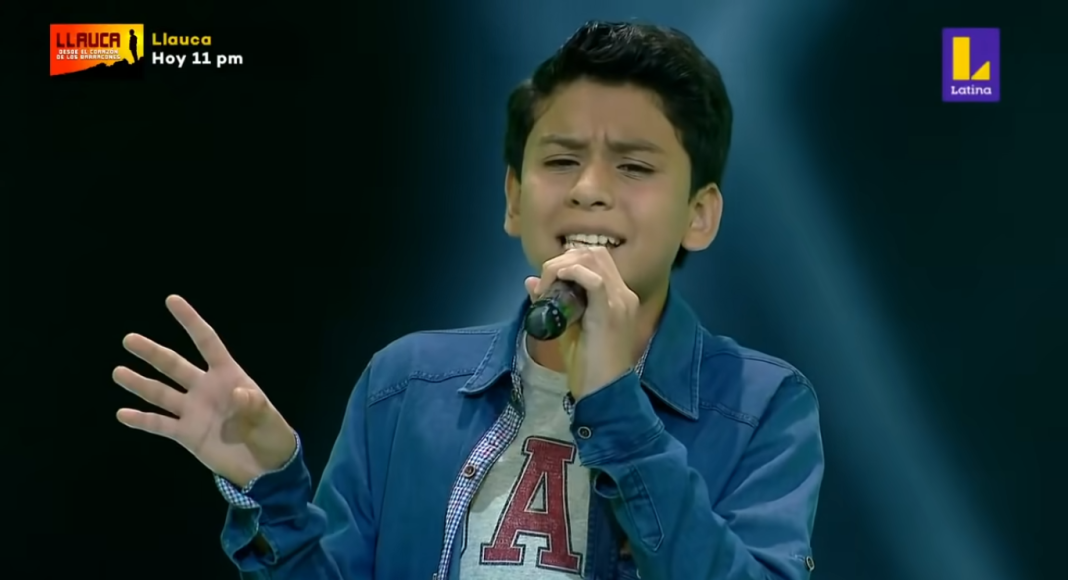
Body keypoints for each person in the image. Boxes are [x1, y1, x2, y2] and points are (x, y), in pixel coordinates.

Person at [112, 20, 824, 580]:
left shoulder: (762, 405)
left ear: (700, 215)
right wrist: (270, 489)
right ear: (513, 199)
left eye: (634, 166)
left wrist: (614, 402)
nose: (589, 189)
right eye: (561, 160)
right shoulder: (406, 385)